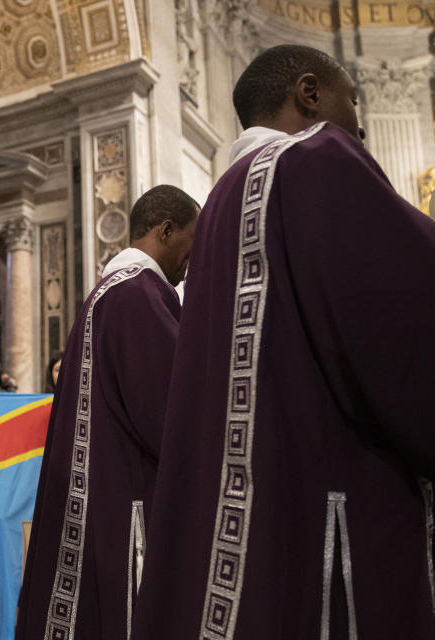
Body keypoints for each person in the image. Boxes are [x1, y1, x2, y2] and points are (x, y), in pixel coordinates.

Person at [131, 45, 435, 640]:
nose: (361, 119)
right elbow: (398, 314)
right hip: (337, 489)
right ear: (310, 92)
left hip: (256, 507)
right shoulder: (319, 159)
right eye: (353, 95)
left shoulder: (222, 196)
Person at [16, 185, 198, 640]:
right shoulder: (139, 295)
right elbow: (169, 412)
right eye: (190, 245)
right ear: (166, 229)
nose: (190, 260)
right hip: (129, 494)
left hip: (101, 487)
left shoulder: (108, 293)